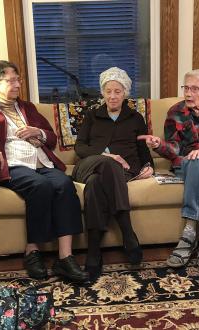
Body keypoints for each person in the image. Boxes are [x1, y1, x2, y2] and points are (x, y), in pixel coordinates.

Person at [0, 60, 88, 282]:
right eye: (11, 80)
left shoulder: (27, 107)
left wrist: (37, 131)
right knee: (40, 187)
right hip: (14, 166)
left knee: (64, 184)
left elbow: (52, 137)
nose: (18, 84)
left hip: (41, 162)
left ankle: (65, 258)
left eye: (18, 79)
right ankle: (32, 251)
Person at [138, 69, 199, 270]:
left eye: (195, 88)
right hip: (187, 164)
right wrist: (159, 145)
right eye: (186, 87)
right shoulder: (175, 112)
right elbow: (173, 149)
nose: (188, 93)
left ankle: (189, 232)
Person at [72, 67, 154, 280]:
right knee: (109, 165)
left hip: (121, 171)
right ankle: (128, 232)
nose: (112, 96)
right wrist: (106, 156)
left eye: (117, 91)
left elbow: (143, 148)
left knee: (95, 186)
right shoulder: (92, 116)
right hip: (89, 165)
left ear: (125, 93)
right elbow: (80, 147)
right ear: (102, 92)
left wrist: (149, 165)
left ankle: (93, 250)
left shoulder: (135, 118)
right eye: (108, 91)